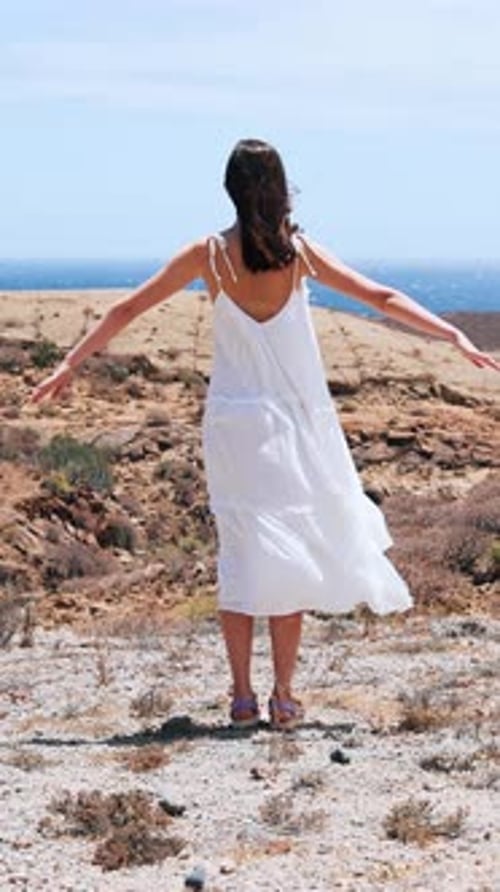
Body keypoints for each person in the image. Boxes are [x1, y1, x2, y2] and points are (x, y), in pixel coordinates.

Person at [31, 138, 500, 731]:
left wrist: (70, 364)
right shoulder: (298, 254)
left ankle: (241, 697)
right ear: (281, 189)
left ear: (229, 188)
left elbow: (127, 310)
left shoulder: (208, 255)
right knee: (291, 548)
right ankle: (283, 697)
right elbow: (381, 297)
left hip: (233, 422)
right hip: (295, 422)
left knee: (242, 550)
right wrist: (451, 336)